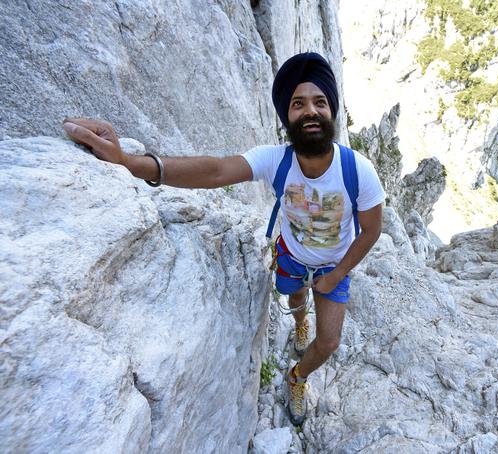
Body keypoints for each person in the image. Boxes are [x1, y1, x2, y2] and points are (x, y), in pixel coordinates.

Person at [62, 52, 386, 426]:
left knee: (328, 342)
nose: (310, 111)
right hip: (292, 254)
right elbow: (216, 171)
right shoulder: (277, 161)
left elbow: (371, 230)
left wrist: (337, 272)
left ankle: (297, 376)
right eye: (298, 104)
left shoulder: (358, 171)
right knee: (295, 295)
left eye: (320, 102)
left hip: (334, 265)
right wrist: (129, 162)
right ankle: (300, 324)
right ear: (287, 117)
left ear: (331, 112)